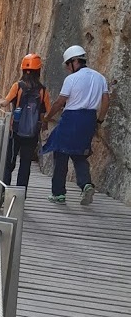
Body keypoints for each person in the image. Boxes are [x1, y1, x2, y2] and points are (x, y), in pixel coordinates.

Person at [41, 45, 110, 205]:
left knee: (60, 153)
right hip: (89, 119)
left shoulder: (71, 79)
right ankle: (86, 184)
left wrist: (48, 116)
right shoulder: (100, 77)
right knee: (80, 155)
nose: (66, 68)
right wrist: (99, 121)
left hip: (71, 118)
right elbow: (106, 100)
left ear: (75, 61)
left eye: (67, 64)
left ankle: (58, 194)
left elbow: (60, 102)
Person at [0, 54, 51, 188]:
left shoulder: (18, 86)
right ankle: (21, 193)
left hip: (15, 129)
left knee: (9, 161)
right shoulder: (43, 90)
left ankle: (4, 189)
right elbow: (47, 110)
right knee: (25, 164)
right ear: (38, 71)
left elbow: (6, 102)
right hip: (32, 132)